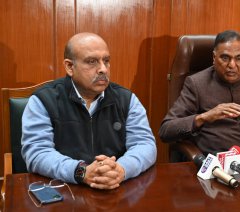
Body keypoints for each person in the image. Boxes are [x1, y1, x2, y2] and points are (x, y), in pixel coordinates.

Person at [21, 32, 157, 190]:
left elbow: (145, 144)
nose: (103, 69)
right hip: (65, 192)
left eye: (106, 61)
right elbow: (37, 152)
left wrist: (121, 169)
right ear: (70, 67)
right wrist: (81, 172)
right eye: (92, 62)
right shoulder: (43, 100)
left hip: (115, 189)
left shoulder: (126, 99)